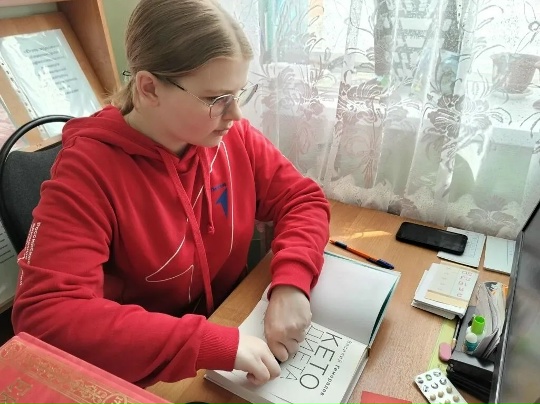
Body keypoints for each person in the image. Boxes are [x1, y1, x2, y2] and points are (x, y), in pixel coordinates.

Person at [11, 0, 330, 389]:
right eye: (215, 99)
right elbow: (44, 317)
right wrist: (207, 343)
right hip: (147, 366)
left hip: (231, 321)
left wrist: (292, 282)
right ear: (149, 88)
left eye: (238, 93)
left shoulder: (230, 137)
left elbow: (302, 200)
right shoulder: (87, 172)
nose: (235, 115)